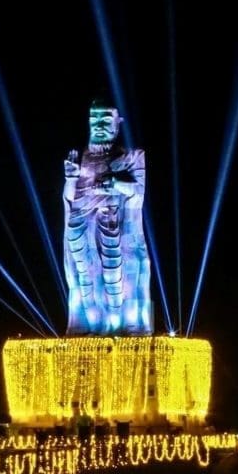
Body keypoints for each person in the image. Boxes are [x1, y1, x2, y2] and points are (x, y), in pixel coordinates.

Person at [63, 97, 152, 335]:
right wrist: (71, 177)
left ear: (118, 121)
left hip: (114, 226)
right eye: (94, 118)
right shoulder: (80, 157)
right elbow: (70, 199)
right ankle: (90, 327)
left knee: (116, 280)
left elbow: (138, 191)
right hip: (80, 228)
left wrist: (115, 184)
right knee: (85, 281)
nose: (99, 124)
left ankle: (121, 326)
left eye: (105, 117)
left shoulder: (132, 156)